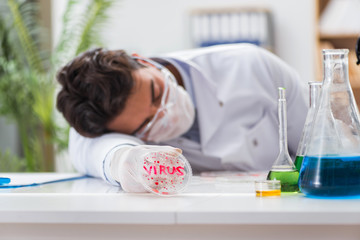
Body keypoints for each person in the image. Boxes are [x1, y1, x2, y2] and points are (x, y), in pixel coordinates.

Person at [56, 43, 308, 193]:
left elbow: (320, 146)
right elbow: (85, 146)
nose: (163, 112)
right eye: (146, 124)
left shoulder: (252, 65)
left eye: (155, 92)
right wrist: (126, 161)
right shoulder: (110, 129)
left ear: (143, 61)